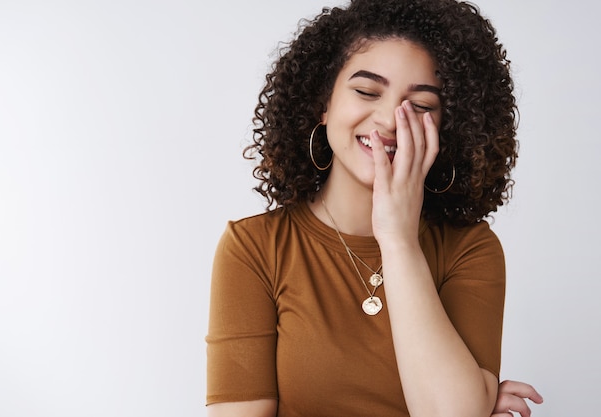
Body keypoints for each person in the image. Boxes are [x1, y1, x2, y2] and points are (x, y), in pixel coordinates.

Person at [206, 0, 542, 416]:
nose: (388, 120)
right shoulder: (254, 249)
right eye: (366, 91)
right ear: (323, 103)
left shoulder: (470, 249)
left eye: (420, 105)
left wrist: (399, 241)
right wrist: (473, 400)